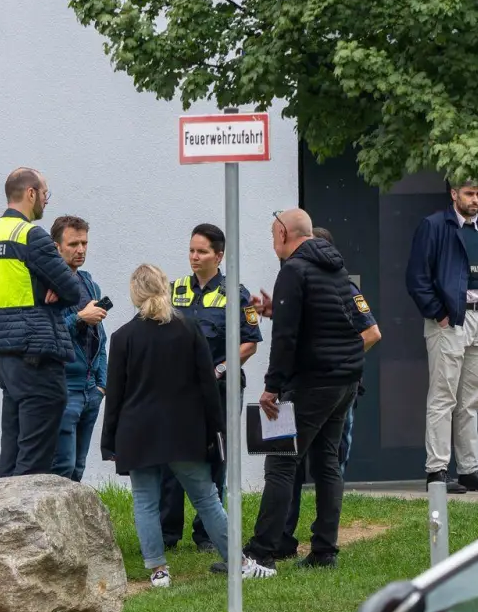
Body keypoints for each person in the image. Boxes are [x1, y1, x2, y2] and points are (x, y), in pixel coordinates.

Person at [101, 267, 271, 587]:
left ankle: (158, 571)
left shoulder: (122, 337)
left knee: (145, 502)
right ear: (165, 288)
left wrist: (109, 442)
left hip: (138, 434)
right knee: (207, 499)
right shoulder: (188, 329)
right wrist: (216, 430)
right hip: (184, 432)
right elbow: (208, 387)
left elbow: (116, 395)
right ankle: (238, 561)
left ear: (135, 293)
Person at [246, 209, 365, 572]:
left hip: (311, 383)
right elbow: (322, 319)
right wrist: (274, 311)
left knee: (280, 463)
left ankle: (261, 553)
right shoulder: (335, 268)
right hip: (344, 381)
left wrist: (271, 387)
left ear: (283, 233)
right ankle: (324, 551)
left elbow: (286, 339)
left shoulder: (294, 270)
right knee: (327, 463)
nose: (272, 244)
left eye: (272, 235)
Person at [269, 229, 382, 557]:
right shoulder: (323, 280)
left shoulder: (335, 284)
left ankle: (281, 542)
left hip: (316, 388)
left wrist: (334, 360)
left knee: (293, 463)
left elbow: (372, 332)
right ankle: (316, 546)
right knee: (322, 464)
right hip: (331, 387)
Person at [158, 223, 263, 553]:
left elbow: (250, 343)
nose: (194, 256)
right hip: (178, 391)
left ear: (219, 256)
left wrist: (218, 370)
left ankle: (205, 533)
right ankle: (167, 532)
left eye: (201, 251)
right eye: (191, 250)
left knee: (216, 457)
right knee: (172, 458)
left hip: (220, 390)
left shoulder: (237, 293)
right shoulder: (173, 290)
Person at [0, 167, 89, 478]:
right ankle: (22, 525)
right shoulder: (31, 236)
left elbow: (20, 284)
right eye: (45, 194)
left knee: (11, 454)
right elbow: (71, 289)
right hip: (38, 355)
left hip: (7, 356)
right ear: (31, 194)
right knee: (35, 460)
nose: (45, 201)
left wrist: (42, 285)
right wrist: (49, 287)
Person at [405, 179, 478, 493]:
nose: (475, 199)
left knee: (471, 400)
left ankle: (469, 470)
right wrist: (439, 312)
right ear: (454, 194)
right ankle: (436, 471)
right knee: (443, 397)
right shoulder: (434, 226)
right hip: (450, 321)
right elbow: (417, 276)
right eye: (469, 193)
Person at [51, 216, 109, 482]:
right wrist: (79, 318)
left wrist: (101, 384)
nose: (81, 250)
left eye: (84, 243)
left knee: (78, 468)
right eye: (73, 243)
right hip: (64, 390)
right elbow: (47, 334)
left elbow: (101, 337)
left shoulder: (89, 283)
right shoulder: (47, 286)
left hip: (90, 391)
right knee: (61, 468)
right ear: (57, 246)